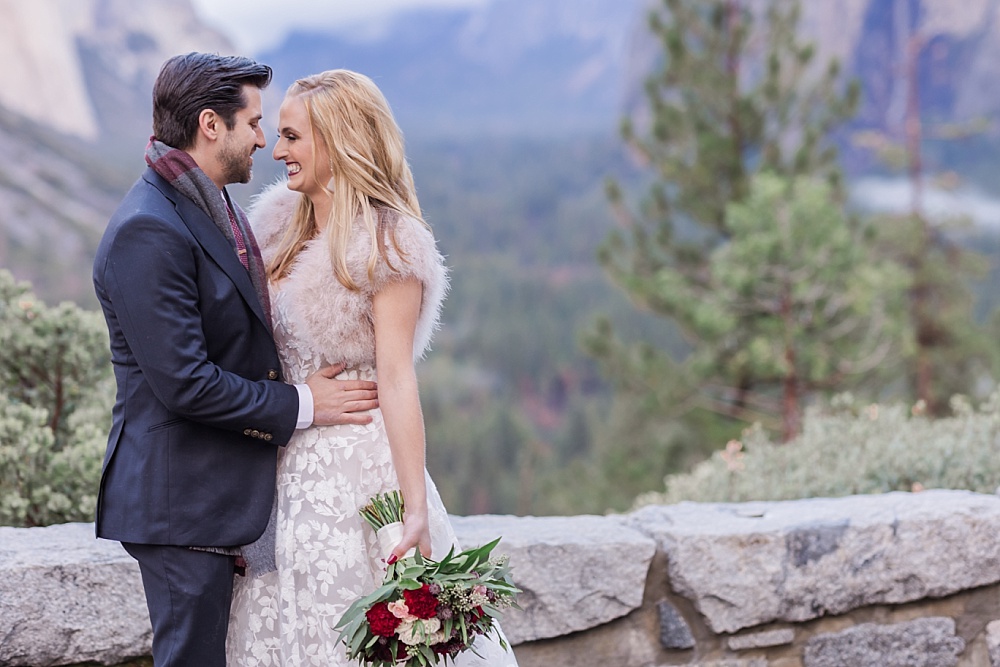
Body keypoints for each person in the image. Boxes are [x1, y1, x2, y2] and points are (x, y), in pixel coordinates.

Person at [91, 53, 379, 667]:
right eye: (252, 122)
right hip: (181, 506)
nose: (263, 140)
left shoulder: (203, 208)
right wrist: (304, 403)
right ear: (209, 125)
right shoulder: (149, 229)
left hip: (215, 501)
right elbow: (186, 384)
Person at [226, 69, 519, 666]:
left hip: (358, 477)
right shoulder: (273, 229)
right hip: (275, 470)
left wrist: (413, 509)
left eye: (292, 137)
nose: (275, 150)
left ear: (339, 141)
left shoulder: (390, 245)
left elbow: (396, 378)